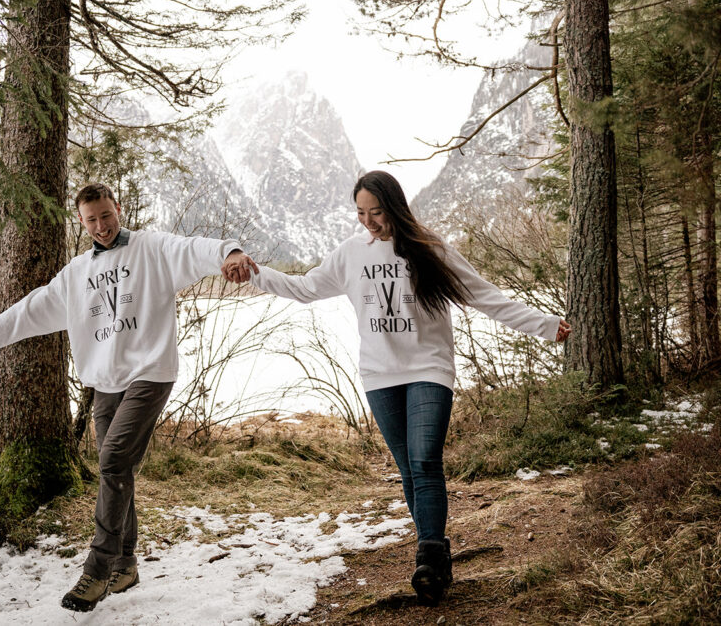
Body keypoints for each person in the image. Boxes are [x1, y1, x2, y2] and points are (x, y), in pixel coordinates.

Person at [230, 170, 571, 605]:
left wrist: (543, 325)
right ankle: (436, 556)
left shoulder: (429, 249)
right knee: (409, 468)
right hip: (380, 374)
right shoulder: (350, 254)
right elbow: (305, 288)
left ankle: (427, 556)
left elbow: (484, 295)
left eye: (376, 212)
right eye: (360, 213)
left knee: (425, 459)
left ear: (395, 207)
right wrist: (256, 274)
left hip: (428, 367)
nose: (368, 222)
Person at [0, 183, 257, 613]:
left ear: (118, 209)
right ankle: (126, 563)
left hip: (150, 373)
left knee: (114, 459)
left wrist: (229, 253)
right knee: (116, 469)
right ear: (81, 222)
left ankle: (99, 568)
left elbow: (195, 248)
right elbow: (30, 309)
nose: (102, 226)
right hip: (105, 383)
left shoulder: (152, 249)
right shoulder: (77, 272)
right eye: (92, 220)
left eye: (107, 215)